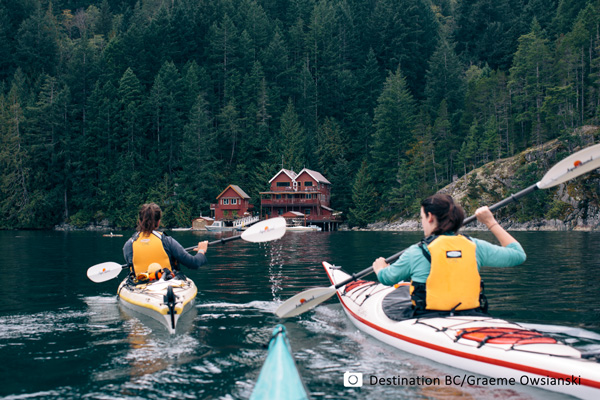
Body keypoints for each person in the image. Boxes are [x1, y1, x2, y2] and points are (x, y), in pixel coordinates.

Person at [372, 193, 526, 315]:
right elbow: (518, 255)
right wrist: (491, 222)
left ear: (430, 217)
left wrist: (380, 268)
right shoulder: (475, 246)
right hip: (470, 314)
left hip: (427, 316)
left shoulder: (416, 251)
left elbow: (387, 278)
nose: (423, 223)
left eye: (422, 218)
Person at [123, 203, 208, 282]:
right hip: (167, 284)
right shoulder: (167, 241)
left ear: (140, 221)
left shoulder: (129, 244)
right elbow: (194, 263)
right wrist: (201, 251)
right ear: (158, 222)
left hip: (139, 286)